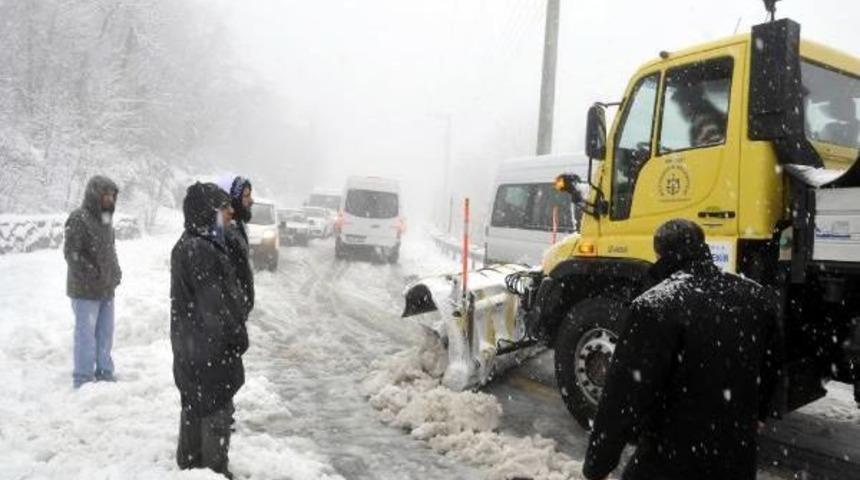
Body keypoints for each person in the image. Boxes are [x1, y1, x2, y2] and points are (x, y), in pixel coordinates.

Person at [583, 219, 782, 480]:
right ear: (703, 246)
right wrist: (759, 411)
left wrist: (598, 465)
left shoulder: (654, 305)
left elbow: (623, 396)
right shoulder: (755, 296)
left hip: (670, 458)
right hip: (735, 456)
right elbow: (772, 362)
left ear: (659, 253)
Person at [171, 182, 248, 479]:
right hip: (208, 350)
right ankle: (212, 470)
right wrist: (237, 337)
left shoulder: (192, 243)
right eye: (224, 207)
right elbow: (216, 307)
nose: (231, 213)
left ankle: (190, 466)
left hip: (192, 346)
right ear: (208, 212)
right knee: (215, 408)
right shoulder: (200, 249)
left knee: (194, 404)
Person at [64, 175, 122, 388]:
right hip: (84, 291)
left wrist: (116, 271)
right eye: (106, 194)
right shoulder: (79, 218)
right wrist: (93, 274)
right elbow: (72, 254)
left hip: (106, 289)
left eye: (113, 195)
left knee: (105, 334)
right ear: (94, 194)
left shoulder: (106, 219)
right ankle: (83, 377)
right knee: (86, 336)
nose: (110, 199)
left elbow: (110, 249)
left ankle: (105, 372)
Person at [217, 175, 255, 316]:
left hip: (236, 312)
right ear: (233, 198)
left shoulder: (237, 226)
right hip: (229, 316)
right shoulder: (225, 231)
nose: (251, 201)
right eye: (246, 196)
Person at [672, 83, 728, 148]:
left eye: (681, 105)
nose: (679, 111)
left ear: (689, 104)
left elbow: (713, 151)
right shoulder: (712, 117)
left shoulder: (704, 123)